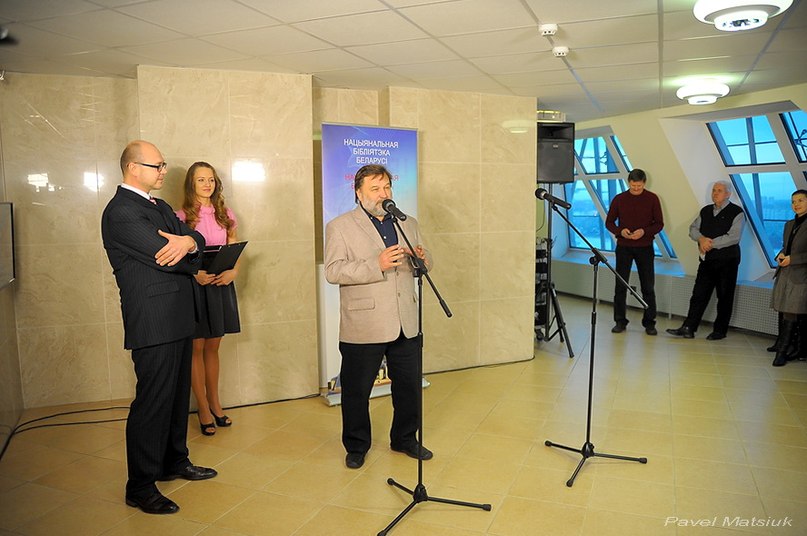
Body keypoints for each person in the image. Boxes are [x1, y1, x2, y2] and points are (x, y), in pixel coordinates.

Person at [101, 140, 217, 515]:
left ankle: (173, 462)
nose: (164, 171)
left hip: (178, 317)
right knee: (153, 403)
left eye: (164, 164)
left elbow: (197, 240)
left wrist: (188, 242)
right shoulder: (121, 212)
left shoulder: (161, 206)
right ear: (133, 168)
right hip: (153, 321)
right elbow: (168, 259)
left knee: (177, 397)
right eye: (158, 165)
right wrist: (188, 249)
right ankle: (140, 485)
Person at [324, 164, 433, 470]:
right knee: (357, 390)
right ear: (358, 193)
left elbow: (425, 265)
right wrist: (377, 264)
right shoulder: (340, 226)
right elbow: (333, 271)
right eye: (375, 188)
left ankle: (405, 439)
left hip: (405, 321)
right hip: (364, 323)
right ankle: (357, 445)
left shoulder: (407, 222)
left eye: (386, 187)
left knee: (409, 387)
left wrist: (422, 260)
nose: (383, 194)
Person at [176, 162, 241, 435]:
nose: (207, 185)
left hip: (219, 284)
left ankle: (215, 403)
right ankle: (202, 408)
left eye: (211, 180)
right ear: (191, 184)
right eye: (201, 180)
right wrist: (195, 274)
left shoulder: (225, 214)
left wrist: (233, 272)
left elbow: (234, 247)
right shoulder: (180, 217)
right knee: (196, 348)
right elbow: (176, 256)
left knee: (214, 347)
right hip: (195, 285)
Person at [667, 180, 745, 340]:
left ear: (728, 194)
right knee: (698, 295)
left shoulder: (737, 212)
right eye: (714, 190)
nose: (715, 193)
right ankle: (688, 328)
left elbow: (734, 237)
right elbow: (693, 229)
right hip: (707, 261)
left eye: (719, 191)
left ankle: (720, 331)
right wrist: (701, 239)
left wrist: (709, 244)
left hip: (727, 261)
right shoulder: (706, 210)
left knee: (724, 297)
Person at [605, 168, 664, 335]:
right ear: (628, 183)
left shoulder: (652, 198)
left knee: (648, 286)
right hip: (623, 247)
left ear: (644, 183)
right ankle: (620, 321)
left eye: (639, 186)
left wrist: (644, 232)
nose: (636, 189)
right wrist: (620, 231)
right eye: (633, 186)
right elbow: (609, 222)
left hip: (645, 247)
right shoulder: (619, 199)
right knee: (620, 286)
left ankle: (649, 322)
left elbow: (659, 224)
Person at [771, 189, 807, 366]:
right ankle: (787, 346)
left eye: (800, 200)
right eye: (793, 201)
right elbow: (787, 247)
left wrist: (793, 259)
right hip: (785, 272)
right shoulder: (789, 224)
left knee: (791, 311)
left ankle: (782, 352)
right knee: (784, 309)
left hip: (802, 275)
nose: (796, 204)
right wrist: (780, 255)